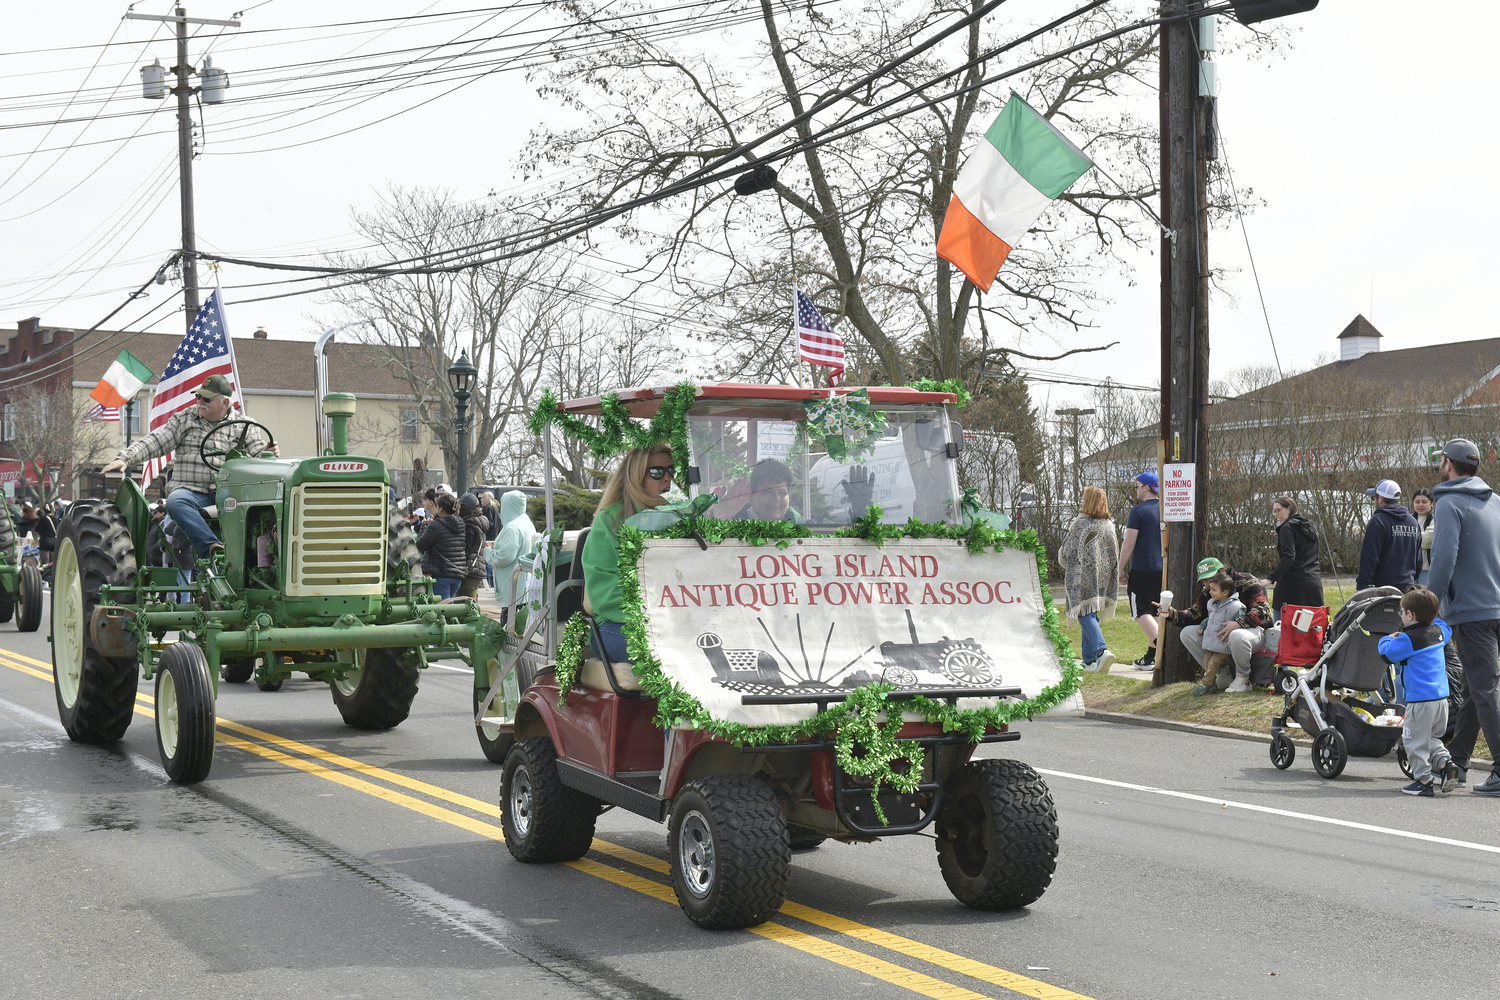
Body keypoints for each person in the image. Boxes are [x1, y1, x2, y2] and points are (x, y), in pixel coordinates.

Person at [98, 374, 278, 558]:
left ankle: (258, 558)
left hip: (227, 492)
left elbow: (260, 457)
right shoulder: (185, 419)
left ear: (225, 403)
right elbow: (157, 441)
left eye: (206, 398)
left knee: (262, 507)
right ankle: (212, 550)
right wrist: (126, 458)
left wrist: (268, 451)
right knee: (176, 502)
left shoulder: (245, 426)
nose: (200, 402)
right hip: (191, 491)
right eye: (198, 396)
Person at [1426, 437, 1500, 797]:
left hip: (1472, 612)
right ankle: (1457, 763)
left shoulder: (1449, 503)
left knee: (1485, 690)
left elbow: (1443, 558)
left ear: (1449, 465)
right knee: (1475, 688)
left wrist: (1429, 602)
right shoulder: (1496, 502)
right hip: (1497, 606)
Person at [582, 446, 674, 664]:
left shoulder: (680, 516)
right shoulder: (612, 520)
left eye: (672, 470)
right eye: (657, 472)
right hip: (619, 624)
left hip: (672, 621)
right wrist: (655, 616)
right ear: (636, 477)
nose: (668, 478)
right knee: (672, 657)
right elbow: (604, 592)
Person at [1378, 588, 1460, 796]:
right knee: (1431, 737)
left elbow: (1388, 654)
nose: (1401, 616)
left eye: (1402, 612)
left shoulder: (1408, 639)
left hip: (1420, 701)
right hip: (1441, 699)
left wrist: (1387, 639)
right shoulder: (1440, 632)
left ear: (1410, 615)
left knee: (1413, 739)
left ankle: (1423, 781)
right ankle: (1445, 764)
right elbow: (1443, 624)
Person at [1161, 556, 1275, 693]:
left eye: (1210, 578)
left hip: (1255, 633)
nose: (1208, 584)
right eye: (1204, 580)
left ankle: (1242, 679)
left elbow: (1263, 611)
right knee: (1187, 633)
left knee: (1237, 635)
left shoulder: (1248, 581)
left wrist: (1238, 623)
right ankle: (1222, 674)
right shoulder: (1209, 591)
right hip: (1223, 635)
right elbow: (1194, 614)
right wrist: (1170, 613)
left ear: (1223, 570)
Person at [1058, 485, 1119, 673]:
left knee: (1084, 613)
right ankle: (1089, 660)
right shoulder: (1109, 525)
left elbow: (1068, 552)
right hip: (1103, 577)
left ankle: (1101, 651)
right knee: (1090, 613)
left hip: (1083, 577)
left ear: (1088, 501)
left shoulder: (1080, 524)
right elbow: (1113, 553)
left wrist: (1062, 556)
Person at [1117, 471, 1162, 668]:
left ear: (1146, 487)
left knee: (1141, 612)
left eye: (1137, 485)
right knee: (1156, 612)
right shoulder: (1166, 509)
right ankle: (1152, 657)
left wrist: (1119, 569)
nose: (1135, 489)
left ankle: (1163, 647)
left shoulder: (1138, 511)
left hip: (1143, 569)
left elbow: (1129, 543)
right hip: (1163, 569)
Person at [1262, 496, 1322, 620]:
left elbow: (1288, 557)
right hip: (1313, 586)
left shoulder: (1286, 529)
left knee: (1282, 634)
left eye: (1278, 510)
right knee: (1312, 633)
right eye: (1274, 511)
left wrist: (1271, 578)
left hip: (1291, 589)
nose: (1276, 514)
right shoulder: (1310, 527)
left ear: (1289, 509)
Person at [1356, 479, 1421, 592]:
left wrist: (1361, 586)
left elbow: (1369, 558)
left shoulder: (1378, 521)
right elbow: (1418, 560)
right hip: (1407, 589)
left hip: (1381, 590)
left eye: (1374, 498)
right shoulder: (1413, 522)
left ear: (1380, 498)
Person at [483, 490, 537, 622]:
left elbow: (505, 556)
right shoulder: (526, 523)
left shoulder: (512, 528)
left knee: (509, 629)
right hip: (523, 585)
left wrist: (488, 552)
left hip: (512, 587)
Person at [1192, 574, 1244, 695]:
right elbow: (1210, 619)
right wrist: (1202, 626)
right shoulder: (1213, 604)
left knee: (1213, 663)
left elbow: (1241, 622)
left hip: (1223, 644)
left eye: (1214, 590)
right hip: (1211, 643)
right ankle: (1213, 684)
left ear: (1225, 592)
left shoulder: (1235, 606)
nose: (1210, 592)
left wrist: (1235, 628)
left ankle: (1205, 684)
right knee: (1207, 660)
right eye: (1210, 589)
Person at [415, 492, 469, 599]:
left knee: (442, 610)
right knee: (449, 608)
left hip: (441, 575)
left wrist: (425, 525)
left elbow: (420, 545)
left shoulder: (436, 525)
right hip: (458, 575)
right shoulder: (461, 524)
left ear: (441, 509)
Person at [734, 460, 803, 523]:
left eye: (782, 493)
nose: (777, 498)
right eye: (767, 492)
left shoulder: (798, 523)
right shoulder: (733, 526)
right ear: (751, 496)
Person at [457, 493, 488, 600]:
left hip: (469, 572)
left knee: (466, 607)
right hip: (476, 570)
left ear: (465, 508)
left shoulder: (470, 526)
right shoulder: (478, 523)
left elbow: (465, 550)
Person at [1412, 487, 1435, 588]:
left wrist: (1409, 537)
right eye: (1417, 502)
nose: (1420, 505)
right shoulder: (1408, 519)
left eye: (1424, 502)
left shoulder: (1437, 518)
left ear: (1432, 503)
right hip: (1410, 569)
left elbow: (1428, 540)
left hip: (1428, 570)